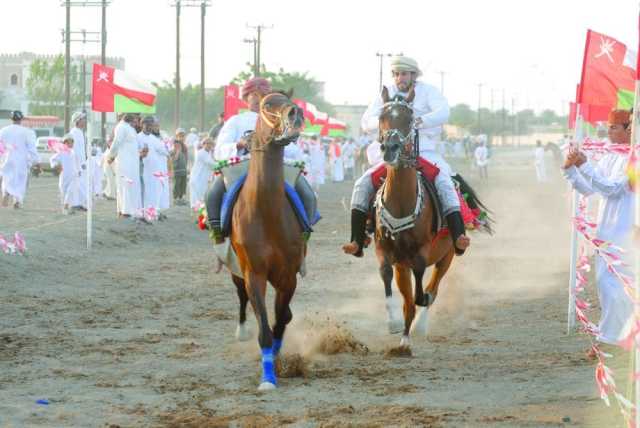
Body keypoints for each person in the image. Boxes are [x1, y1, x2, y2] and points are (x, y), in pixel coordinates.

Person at [343, 55, 469, 257]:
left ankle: (458, 237)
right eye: (396, 74)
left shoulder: (428, 91)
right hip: (391, 153)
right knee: (362, 183)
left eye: (403, 74)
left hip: (424, 151)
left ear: (413, 75)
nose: (399, 78)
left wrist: (418, 121)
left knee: (445, 181)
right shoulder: (386, 93)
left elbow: (444, 111)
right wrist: (389, 123)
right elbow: (367, 121)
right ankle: (357, 240)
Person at [206, 77, 317, 244]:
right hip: (241, 166)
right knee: (212, 193)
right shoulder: (235, 121)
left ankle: (302, 237)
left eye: (263, 94)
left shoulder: (277, 119)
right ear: (246, 98)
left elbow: (294, 150)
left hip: (277, 166)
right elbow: (219, 150)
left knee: (308, 194)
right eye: (253, 94)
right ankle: (219, 236)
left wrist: (282, 143)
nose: (258, 98)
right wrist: (240, 143)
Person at [563, 109, 634, 347]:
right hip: (606, 232)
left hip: (627, 232)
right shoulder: (611, 155)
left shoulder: (635, 157)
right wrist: (571, 169)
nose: (608, 131)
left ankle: (612, 341)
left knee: (619, 289)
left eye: (614, 127)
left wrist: (585, 166)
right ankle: (612, 338)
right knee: (606, 286)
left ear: (630, 129)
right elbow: (590, 189)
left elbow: (613, 189)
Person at [107, 113, 143, 219]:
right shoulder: (121, 127)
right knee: (124, 185)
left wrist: (141, 152)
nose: (138, 121)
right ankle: (125, 211)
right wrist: (111, 156)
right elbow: (116, 142)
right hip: (124, 163)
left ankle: (131, 211)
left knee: (132, 186)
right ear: (131, 117)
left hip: (133, 164)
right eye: (136, 118)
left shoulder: (130, 128)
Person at [0, 110, 38, 208]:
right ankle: (17, 200)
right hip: (21, 161)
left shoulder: (3, 131)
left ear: (11, 119)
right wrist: (36, 160)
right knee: (21, 181)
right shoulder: (27, 132)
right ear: (21, 119)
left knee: (7, 178)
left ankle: (5, 193)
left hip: (7, 159)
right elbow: (32, 148)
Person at [138, 116, 165, 210]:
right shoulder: (138, 137)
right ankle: (145, 210)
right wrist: (141, 154)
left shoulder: (154, 138)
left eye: (151, 125)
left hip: (154, 170)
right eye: (147, 125)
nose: (149, 127)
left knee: (155, 190)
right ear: (142, 125)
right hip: (144, 169)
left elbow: (163, 150)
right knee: (146, 191)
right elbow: (135, 153)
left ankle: (153, 210)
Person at [49, 134, 79, 214]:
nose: (70, 144)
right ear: (64, 143)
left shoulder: (73, 152)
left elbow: (77, 163)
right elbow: (52, 159)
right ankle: (66, 209)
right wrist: (56, 165)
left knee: (71, 191)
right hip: (64, 175)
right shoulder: (61, 153)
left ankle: (67, 204)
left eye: (72, 142)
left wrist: (79, 170)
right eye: (68, 142)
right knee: (63, 192)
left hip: (73, 175)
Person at [189, 137, 216, 208]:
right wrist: (226, 163)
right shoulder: (201, 153)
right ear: (203, 144)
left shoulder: (209, 153)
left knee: (202, 197)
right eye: (207, 143)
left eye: (211, 144)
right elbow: (212, 163)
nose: (209, 145)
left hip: (204, 178)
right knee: (197, 198)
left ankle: (200, 213)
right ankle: (197, 213)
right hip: (197, 178)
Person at [69, 111, 88, 210]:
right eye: (82, 119)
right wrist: (77, 164)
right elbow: (74, 150)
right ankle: (75, 204)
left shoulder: (81, 132)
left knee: (82, 183)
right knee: (77, 183)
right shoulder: (73, 133)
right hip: (76, 162)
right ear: (78, 121)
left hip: (82, 162)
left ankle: (80, 203)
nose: (84, 121)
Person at [172, 129, 188, 205]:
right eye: (180, 136)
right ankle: (175, 199)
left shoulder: (184, 146)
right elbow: (173, 158)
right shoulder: (174, 145)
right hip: (177, 169)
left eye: (183, 136)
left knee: (183, 184)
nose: (182, 137)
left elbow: (186, 158)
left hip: (183, 169)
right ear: (177, 136)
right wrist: (177, 151)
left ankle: (181, 198)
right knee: (177, 185)